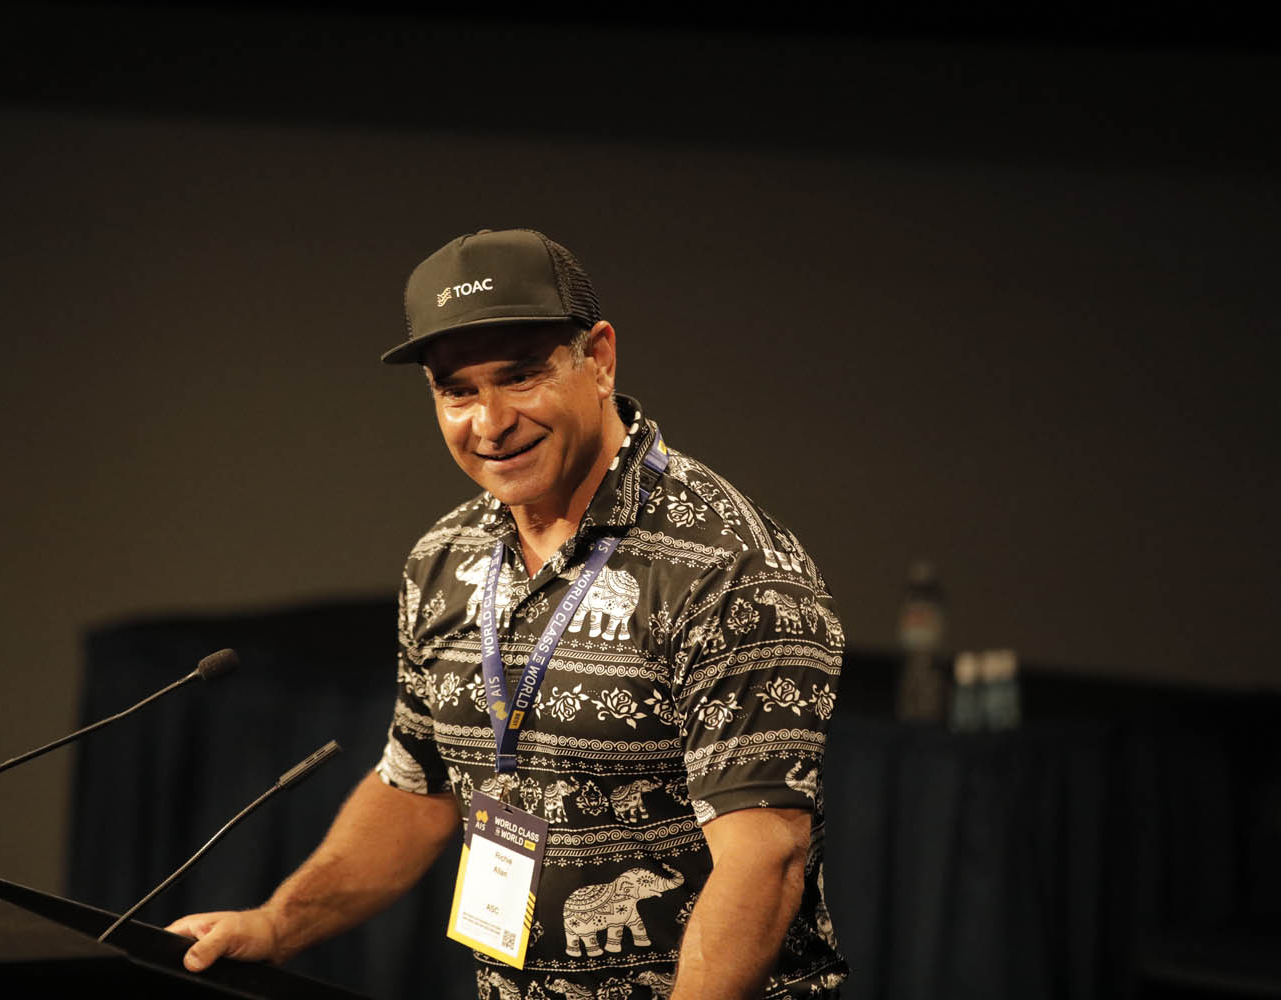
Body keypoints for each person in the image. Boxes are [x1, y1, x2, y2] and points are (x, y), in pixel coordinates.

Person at [169, 229, 848, 999]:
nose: (490, 423)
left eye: (520, 377)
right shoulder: (447, 558)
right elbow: (418, 786)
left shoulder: (726, 569)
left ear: (599, 358)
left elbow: (766, 856)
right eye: (457, 390)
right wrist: (278, 925)